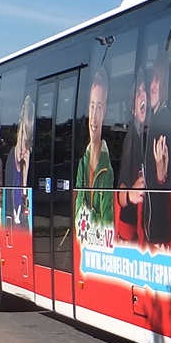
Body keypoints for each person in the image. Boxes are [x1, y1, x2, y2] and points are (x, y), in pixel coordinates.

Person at [75, 67, 115, 228]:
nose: (94, 115)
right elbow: (78, 216)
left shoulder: (108, 171)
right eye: (92, 106)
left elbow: (106, 224)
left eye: (99, 107)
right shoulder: (82, 164)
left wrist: (88, 216)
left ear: (104, 111)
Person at [143, 51, 171, 246]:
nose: (152, 86)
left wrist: (161, 177)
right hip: (156, 216)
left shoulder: (162, 119)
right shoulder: (158, 118)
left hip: (157, 218)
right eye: (151, 80)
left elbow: (161, 175)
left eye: (158, 80)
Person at [115, 67, 148, 242]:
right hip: (129, 230)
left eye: (145, 91)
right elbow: (121, 190)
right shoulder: (132, 138)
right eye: (138, 92)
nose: (143, 95)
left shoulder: (147, 134)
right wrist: (130, 194)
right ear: (133, 111)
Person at [6, 95, 34, 226]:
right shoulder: (10, 160)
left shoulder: (26, 166)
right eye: (23, 135)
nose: (24, 145)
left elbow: (25, 211)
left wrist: (25, 173)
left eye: (27, 141)